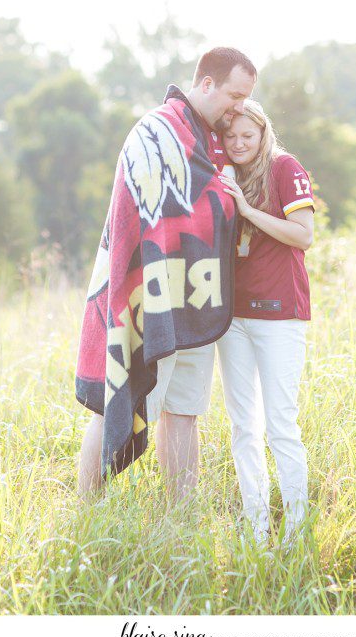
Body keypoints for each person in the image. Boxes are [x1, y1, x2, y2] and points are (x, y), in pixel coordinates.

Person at [77, 47, 257, 501]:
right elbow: (148, 208)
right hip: (152, 293)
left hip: (198, 294)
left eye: (246, 98)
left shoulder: (215, 135)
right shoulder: (157, 129)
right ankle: (85, 511)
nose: (238, 106)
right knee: (114, 401)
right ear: (207, 83)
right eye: (234, 94)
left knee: (185, 410)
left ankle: (182, 516)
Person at [216, 99, 315, 545]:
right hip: (233, 316)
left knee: (280, 423)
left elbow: (304, 235)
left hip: (280, 314)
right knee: (243, 426)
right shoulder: (225, 172)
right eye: (230, 136)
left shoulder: (284, 166)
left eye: (247, 136)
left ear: (262, 133)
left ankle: (295, 531)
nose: (238, 144)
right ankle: (256, 529)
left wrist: (248, 211)